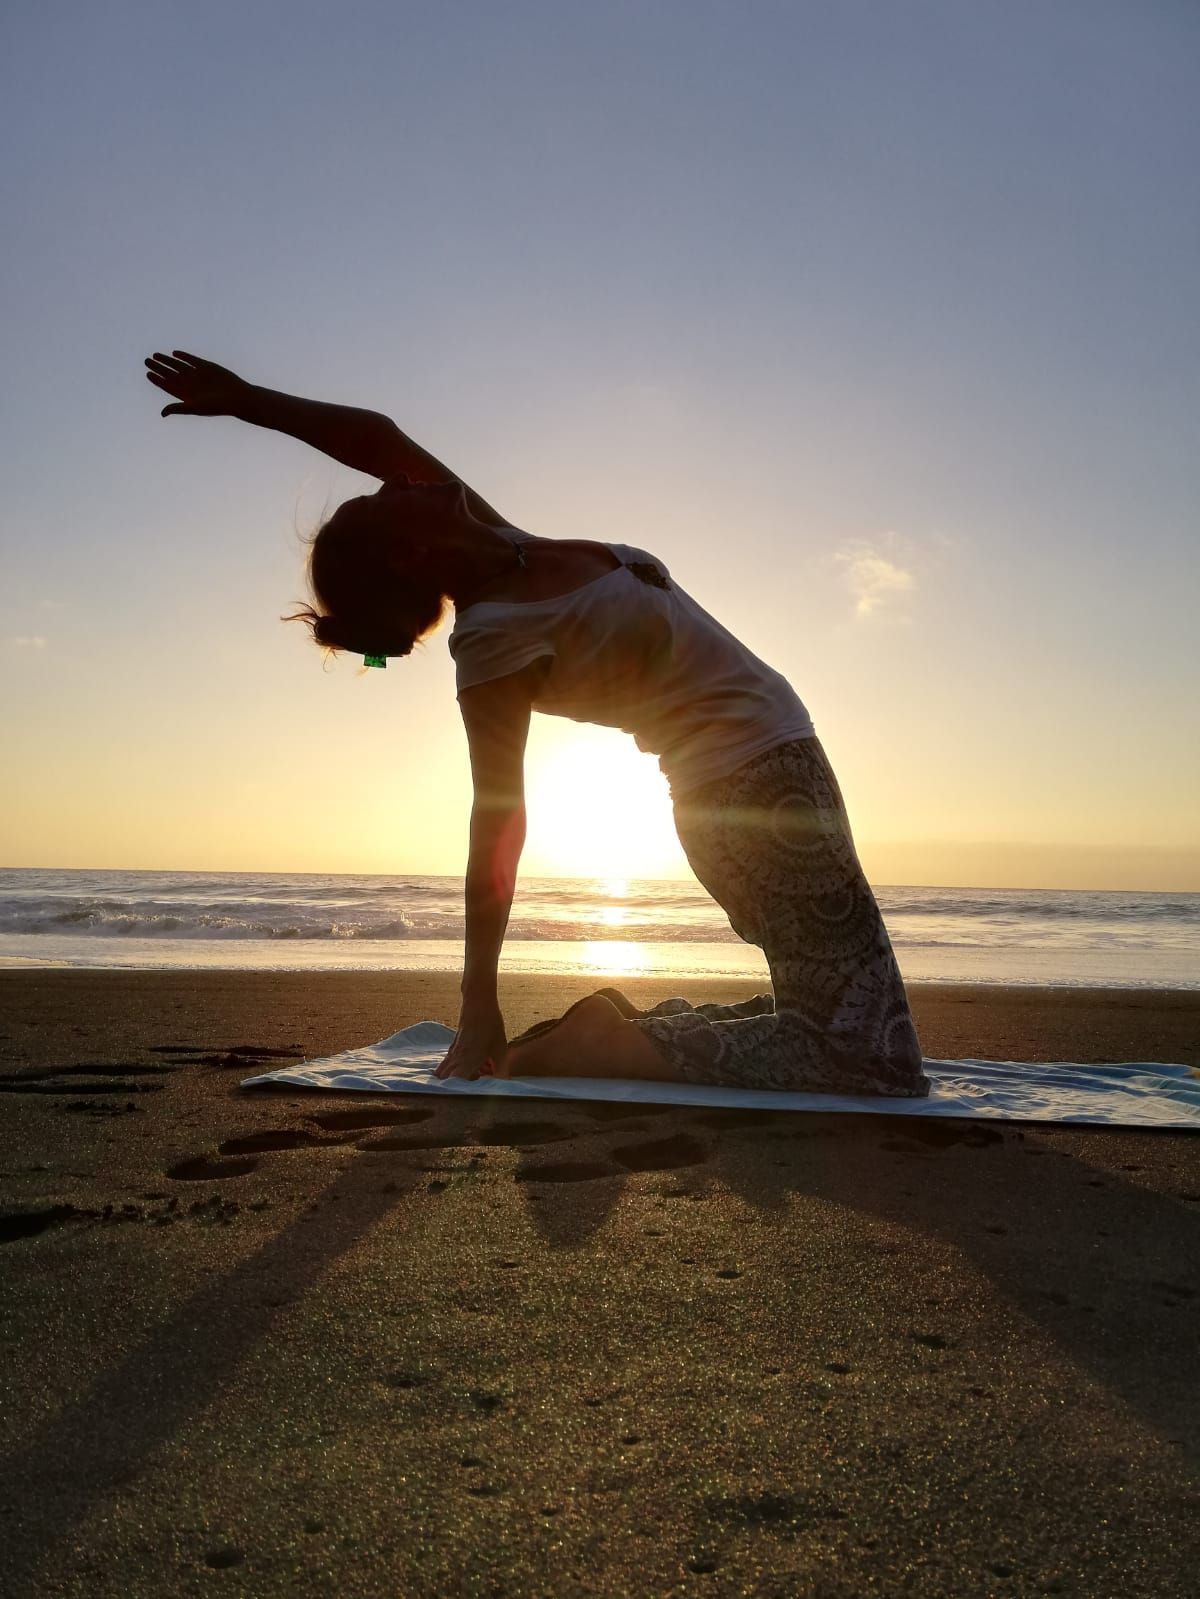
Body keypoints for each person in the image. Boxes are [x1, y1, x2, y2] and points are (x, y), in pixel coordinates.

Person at [145, 349, 928, 1097]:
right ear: (413, 553)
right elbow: (499, 824)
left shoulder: (505, 545)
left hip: (777, 768)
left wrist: (247, 401)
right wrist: (476, 1000)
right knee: (874, 1061)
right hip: (751, 794)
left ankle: (624, 1030)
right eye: (385, 496)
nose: (399, 479)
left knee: (845, 1027)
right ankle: (600, 1046)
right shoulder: (493, 638)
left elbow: (374, 436)